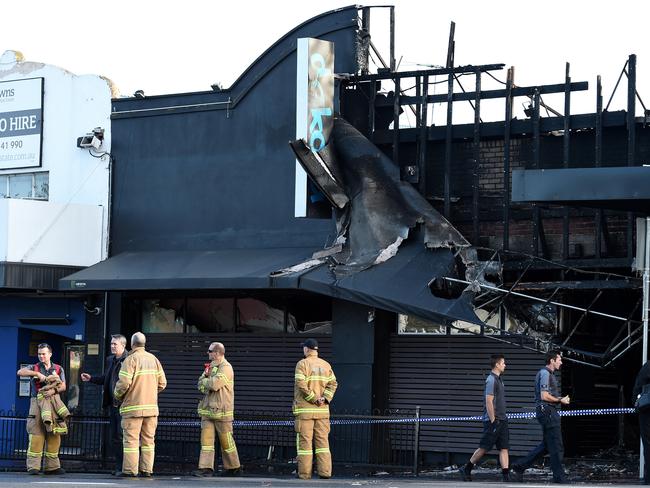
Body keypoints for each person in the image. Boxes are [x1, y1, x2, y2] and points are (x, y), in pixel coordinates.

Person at [512, 350, 570, 484]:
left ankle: (519, 466)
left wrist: (559, 399)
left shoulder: (548, 374)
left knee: (547, 446)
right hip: (547, 411)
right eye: (559, 359)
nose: (561, 362)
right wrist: (560, 400)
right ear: (552, 361)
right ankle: (559, 477)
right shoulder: (545, 373)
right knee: (556, 444)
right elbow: (544, 396)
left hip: (547, 411)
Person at [113, 332, 166, 478]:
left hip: (132, 409)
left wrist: (117, 396)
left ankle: (130, 471)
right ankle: (147, 470)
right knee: (149, 441)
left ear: (132, 344)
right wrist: (149, 393)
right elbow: (163, 383)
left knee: (131, 441)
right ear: (144, 343)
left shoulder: (130, 359)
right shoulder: (154, 359)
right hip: (151, 410)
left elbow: (123, 384)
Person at [16, 343, 67, 475]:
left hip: (53, 402)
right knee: (36, 433)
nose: (41, 356)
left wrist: (53, 391)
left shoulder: (59, 368)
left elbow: (63, 387)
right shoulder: (35, 367)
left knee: (54, 434)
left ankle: (52, 467)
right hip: (36, 402)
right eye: (39, 354)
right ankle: (33, 467)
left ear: (50, 354)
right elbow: (20, 372)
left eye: (44, 353)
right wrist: (36, 373)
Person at [80, 334, 128, 475]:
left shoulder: (129, 360)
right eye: (112, 344)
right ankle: (119, 466)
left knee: (122, 436)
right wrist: (92, 379)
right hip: (112, 405)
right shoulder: (110, 360)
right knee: (115, 437)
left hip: (124, 405)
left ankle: (126, 467)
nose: (112, 346)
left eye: (115, 344)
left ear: (123, 346)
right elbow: (107, 379)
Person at [193, 342, 241, 477]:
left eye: (210, 351)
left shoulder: (226, 367)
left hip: (222, 412)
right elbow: (200, 384)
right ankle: (205, 468)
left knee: (227, 441)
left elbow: (215, 385)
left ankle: (233, 467)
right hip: (208, 411)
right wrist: (205, 383)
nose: (208, 353)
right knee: (206, 442)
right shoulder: (210, 367)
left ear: (218, 353)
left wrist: (206, 382)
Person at [459, 354, 510, 482]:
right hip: (493, 421)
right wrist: (493, 420)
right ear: (497, 364)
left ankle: (506, 475)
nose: (505, 365)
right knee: (484, 447)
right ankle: (467, 468)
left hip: (502, 420)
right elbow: (489, 401)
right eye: (503, 363)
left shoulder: (499, 379)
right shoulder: (491, 380)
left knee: (504, 447)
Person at [293, 339, 338, 479]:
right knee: (323, 443)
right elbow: (333, 384)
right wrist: (325, 399)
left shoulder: (302, 364)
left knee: (305, 444)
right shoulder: (326, 365)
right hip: (323, 412)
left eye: (304, 348)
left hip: (305, 411)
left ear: (307, 349)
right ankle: (325, 472)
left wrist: (314, 398)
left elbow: (301, 384)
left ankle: (305, 474)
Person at [633, 359, 650, 485]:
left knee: (648, 444)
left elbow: (638, 387)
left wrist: (636, 403)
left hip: (646, 411)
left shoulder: (647, 368)